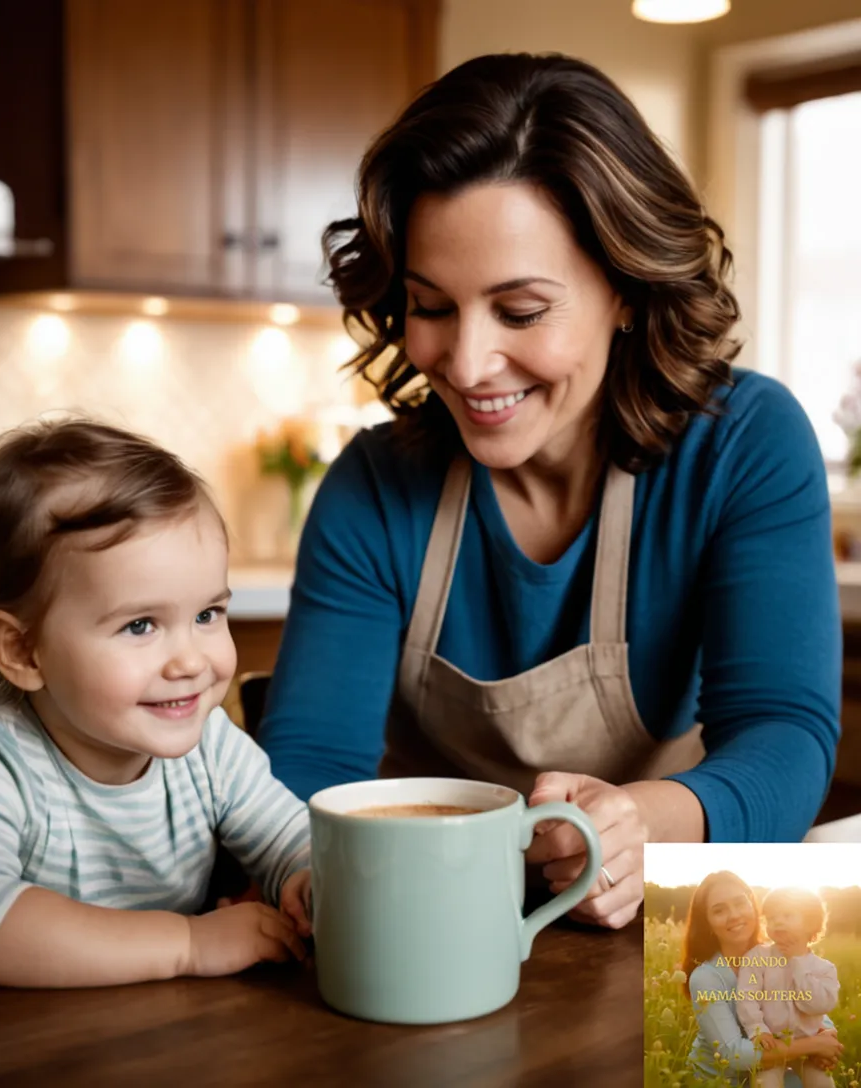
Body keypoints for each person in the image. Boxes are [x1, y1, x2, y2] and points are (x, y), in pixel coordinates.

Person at [261, 52, 841, 930]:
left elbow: (784, 733)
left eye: (521, 311)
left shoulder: (742, 446)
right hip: (425, 930)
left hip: (667, 933)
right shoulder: (375, 488)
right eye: (431, 305)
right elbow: (307, 765)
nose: (465, 363)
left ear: (625, 289)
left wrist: (644, 825)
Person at [0, 419, 311, 988]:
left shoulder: (213, 750)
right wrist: (187, 943)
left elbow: (290, 840)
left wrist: (308, 879)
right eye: (141, 625)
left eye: (207, 615)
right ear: (23, 650)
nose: (191, 662)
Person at [683, 872, 842, 1085]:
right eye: (719, 910)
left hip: (774, 1064)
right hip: (722, 1080)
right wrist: (814, 1045)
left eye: (740, 903)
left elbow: (804, 1003)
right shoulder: (706, 978)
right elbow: (733, 1055)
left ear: (753, 906)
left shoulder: (779, 953)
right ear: (708, 923)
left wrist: (827, 1033)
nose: (734, 915)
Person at [736, 887, 839, 1087]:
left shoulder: (824, 969)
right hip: (772, 1044)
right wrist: (757, 1029)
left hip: (809, 1049)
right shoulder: (757, 957)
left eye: (787, 915)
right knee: (765, 1083)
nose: (778, 922)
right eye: (772, 918)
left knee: (823, 1083)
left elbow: (818, 1005)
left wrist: (798, 962)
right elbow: (746, 997)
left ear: (810, 923)